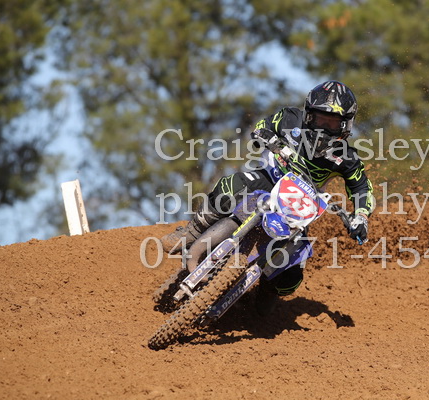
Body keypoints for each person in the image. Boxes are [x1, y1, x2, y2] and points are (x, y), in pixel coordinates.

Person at [160, 80, 374, 315]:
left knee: (291, 275)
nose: (323, 128)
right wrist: (267, 137)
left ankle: (265, 293)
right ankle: (192, 232)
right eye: (320, 119)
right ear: (308, 115)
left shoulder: (347, 158)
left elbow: (362, 188)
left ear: (345, 126)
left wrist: (361, 217)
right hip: (269, 179)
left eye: (332, 123)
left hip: (299, 205)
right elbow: (264, 126)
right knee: (230, 186)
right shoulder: (290, 119)